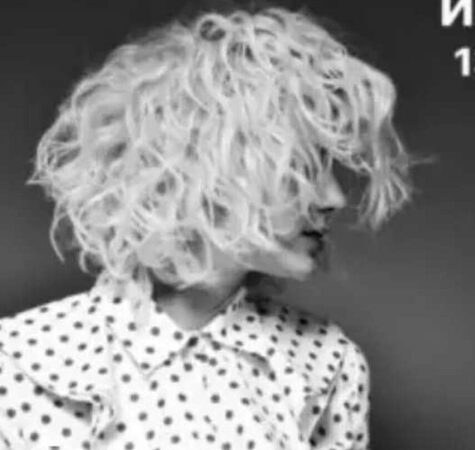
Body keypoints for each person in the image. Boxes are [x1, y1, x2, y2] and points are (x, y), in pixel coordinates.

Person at [0, 4, 414, 449]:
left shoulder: (328, 364)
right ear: (197, 172)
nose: (333, 198)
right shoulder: (21, 363)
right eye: (301, 168)